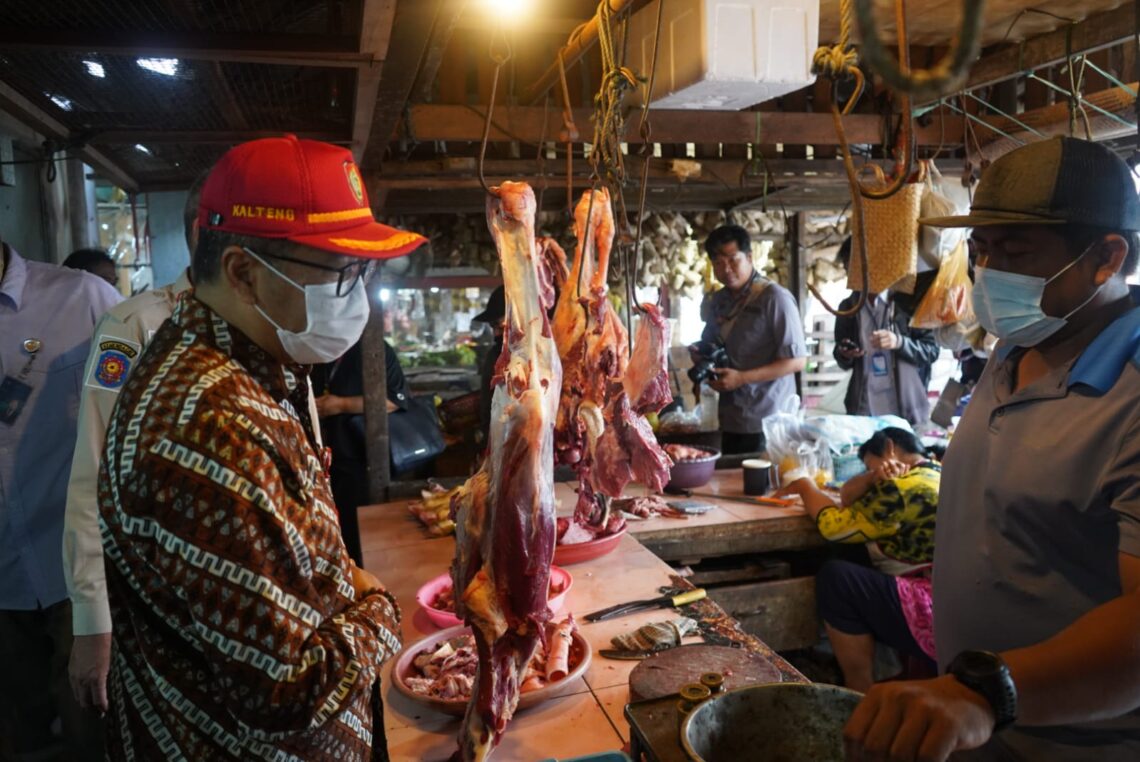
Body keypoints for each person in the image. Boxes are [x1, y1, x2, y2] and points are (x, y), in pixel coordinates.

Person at [97, 135, 424, 759]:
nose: (357, 293)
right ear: (244, 273)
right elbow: (286, 694)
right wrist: (380, 607)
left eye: (365, 271)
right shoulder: (212, 424)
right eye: (342, 271)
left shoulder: (245, 369)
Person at [843, 136, 1140, 761]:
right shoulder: (1014, 347)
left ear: (1107, 256)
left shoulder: (1132, 394)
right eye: (981, 250)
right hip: (978, 728)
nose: (988, 272)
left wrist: (990, 694)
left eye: (1017, 252)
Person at [61, 174, 204, 721]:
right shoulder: (136, 324)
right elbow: (92, 472)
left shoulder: (273, 327)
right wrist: (93, 618)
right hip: (160, 601)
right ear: (205, 233)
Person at [0, 240, 122, 761]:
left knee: (95, 733)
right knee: (17, 737)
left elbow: (140, 414)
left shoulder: (86, 300)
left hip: (80, 575)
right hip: (2, 586)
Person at [777, 427, 941, 693]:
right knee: (852, 554)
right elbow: (847, 495)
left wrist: (805, 485)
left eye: (868, 465)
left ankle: (860, 690)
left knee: (838, 578)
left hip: (934, 608)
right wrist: (872, 476)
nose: (869, 472)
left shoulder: (902, 488)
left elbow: (832, 526)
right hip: (949, 591)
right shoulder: (935, 471)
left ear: (889, 448)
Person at [697, 224, 807, 454]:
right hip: (730, 417)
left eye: (732, 260)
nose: (725, 268)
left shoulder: (775, 298)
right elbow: (711, 341)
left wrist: (742, 378)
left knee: (763, 488)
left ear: (749, 257)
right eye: (718, 262)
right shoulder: (719, 300)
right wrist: (701, 353)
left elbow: (796, 361)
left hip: (769, 421)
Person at [312, 336, 411, 566]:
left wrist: (340, 405)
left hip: (360, 460)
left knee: (357, 536)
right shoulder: (313, 351)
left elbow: (395, 400)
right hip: (320, 461)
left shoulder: (373, 349)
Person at [833, 238, 942, 425]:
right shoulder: (848, 307)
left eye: (852, 268)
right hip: (862, 408)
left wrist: (899, 342)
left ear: (871, 265)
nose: (850, 276)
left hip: (904, 408)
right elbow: (842, 358)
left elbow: (931, 351)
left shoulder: (906, 303)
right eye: (846, 269)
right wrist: (846, 353)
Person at [473, 285, 505, 443]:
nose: (496, 333)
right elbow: (488, 406)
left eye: (498, 325)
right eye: (492, 327)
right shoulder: (496, 354)